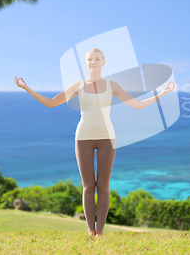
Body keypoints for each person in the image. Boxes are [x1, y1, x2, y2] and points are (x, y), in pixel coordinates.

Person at [15, 48, 175, 238]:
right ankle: (90, 230)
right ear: (85, 63)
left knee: (103, 186)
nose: (93, 61)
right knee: (88, 186)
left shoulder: (112, 85)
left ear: (103, 62)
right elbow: (50, 103)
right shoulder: (78, 86)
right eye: (90, 59)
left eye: (97, 58)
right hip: (83, 138)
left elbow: (138, 105)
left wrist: (163, 93)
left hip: (107, 138)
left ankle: (100, 231)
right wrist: (27, 88)